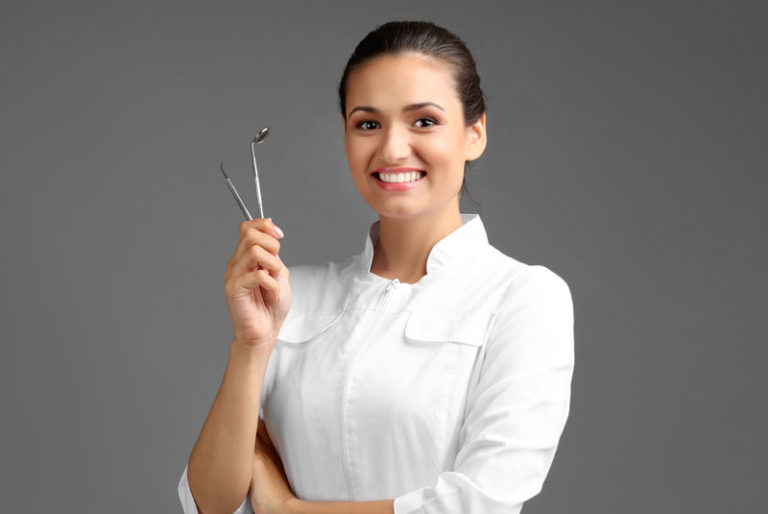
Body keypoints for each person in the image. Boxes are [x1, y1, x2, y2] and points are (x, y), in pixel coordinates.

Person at [178, 20, 574, 514]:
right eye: (368, 123)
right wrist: (251, 346)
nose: (391, 149)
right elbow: (209, 505)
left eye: (424, 121)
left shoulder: (522, 298)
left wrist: (286, 509)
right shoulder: (291, 296)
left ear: (475, 134)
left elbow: (478, 504)